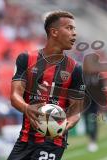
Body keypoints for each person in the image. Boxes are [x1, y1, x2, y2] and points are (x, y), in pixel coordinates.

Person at [8, 11, 85, 160]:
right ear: (54, 32)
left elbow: (76, 111)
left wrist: (65, 125)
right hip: (24, 141)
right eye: (69, 28)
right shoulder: (26, 59)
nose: (74, 34)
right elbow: (14, 96)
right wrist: (26, 108)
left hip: (52, 143)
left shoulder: (75, 69)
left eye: (74, 29)